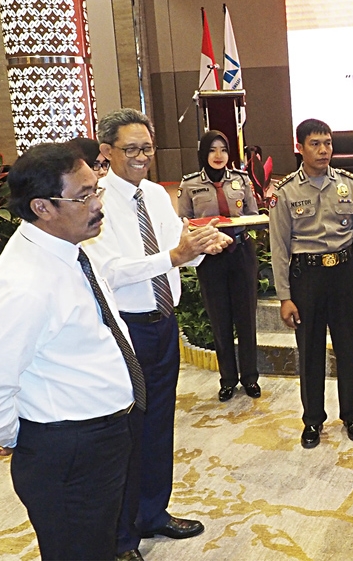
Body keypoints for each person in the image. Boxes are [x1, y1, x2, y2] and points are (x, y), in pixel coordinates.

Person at [0, 142, 142, 560]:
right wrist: (23, 438)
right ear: (42, 207)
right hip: (69, 450)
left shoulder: (65, 250)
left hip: (97, 437)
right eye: (83, 196)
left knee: (96, 545)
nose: (97, 204)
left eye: (96, 190)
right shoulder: (26, 283)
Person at [84, 109, 230, 561]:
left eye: (147, 148)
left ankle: (152, 513)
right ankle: (122, 538)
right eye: (131, 149)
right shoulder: (96, 202)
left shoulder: (155, 194)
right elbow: (109, 272)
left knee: (159, 424)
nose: (142, 157)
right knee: (127, 433)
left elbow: (176, 250)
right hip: (126, 330)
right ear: (106, 152)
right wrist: (176, 256)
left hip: (164, 323)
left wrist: (202, 248)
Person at [269, 118, 353, 449]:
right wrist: (285, 297)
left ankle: (351, 414)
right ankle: (313, 419)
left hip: (344, 274)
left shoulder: (348, 184)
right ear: (299, 148)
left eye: (327, 143)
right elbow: (279, 248)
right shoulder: (286, 192)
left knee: (348, 348)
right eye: (315, 144)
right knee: (310, 352)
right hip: (307, 278)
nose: (323, 150)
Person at [177, 130, 261, 402]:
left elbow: (252, 215)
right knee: (219, 318)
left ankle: (250, 377)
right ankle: (227, 380)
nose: (218, 155)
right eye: (212, 150)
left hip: (240, 252)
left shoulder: (241, 180)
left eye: (223, 150)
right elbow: (183, 223)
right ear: (204, 153)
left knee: (246, 318)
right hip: (210, 257)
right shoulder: (190, 184)